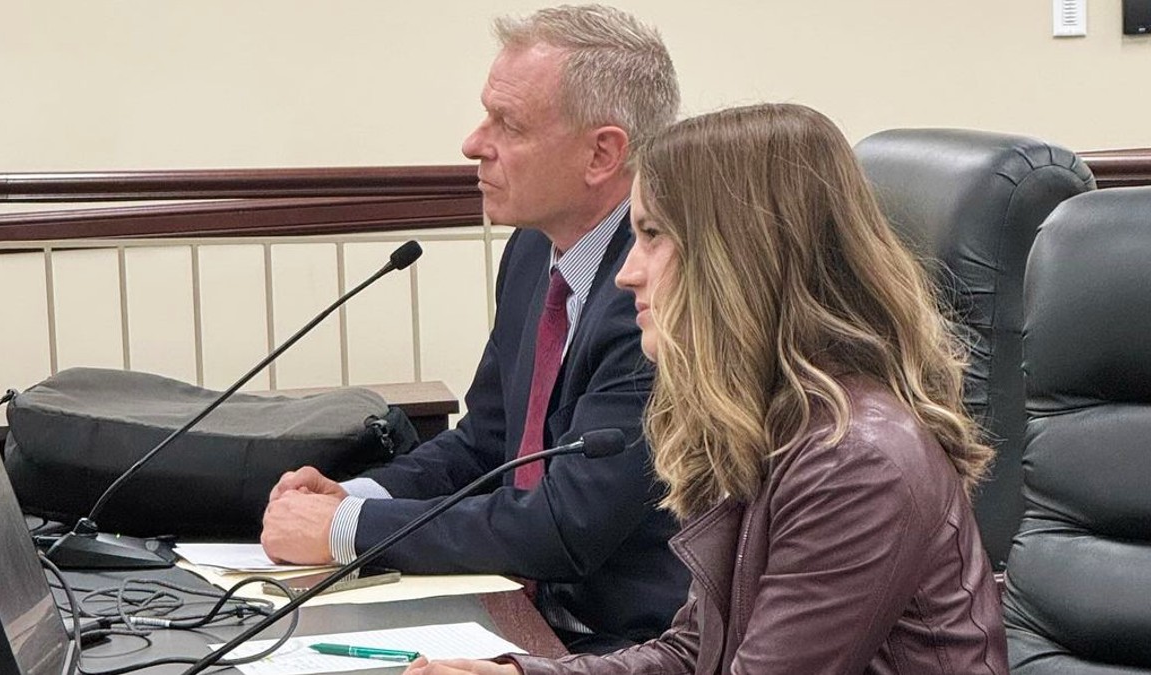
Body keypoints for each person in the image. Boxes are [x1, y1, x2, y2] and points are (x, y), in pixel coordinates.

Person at [401, 103, 1010, 674]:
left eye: (653, 236)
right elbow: (696, 651)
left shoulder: (855, 462)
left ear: (738, 259)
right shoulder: (768, 417)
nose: (626, 272)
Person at [260, 4, 690, 654]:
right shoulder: (530, 252)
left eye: (507, 123)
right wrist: (356, 492)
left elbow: (566, 525)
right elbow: (487, 443)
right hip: (512, 609)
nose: (473, 142)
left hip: (621, 644)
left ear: (602, 152)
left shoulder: (660, 292)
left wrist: (350, 526)